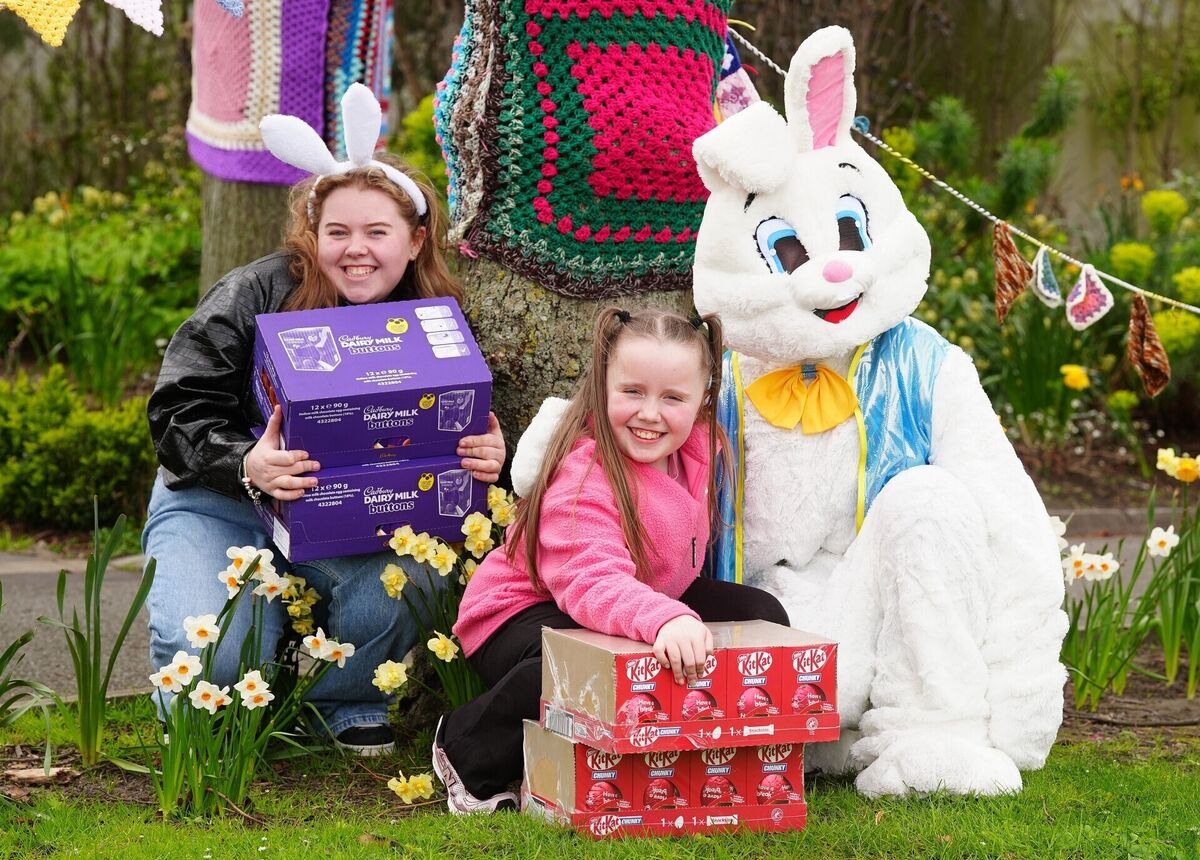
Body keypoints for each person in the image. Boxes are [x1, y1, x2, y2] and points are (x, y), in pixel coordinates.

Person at [143, 86, 506, 757]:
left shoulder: (437, 321)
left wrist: (490, 449)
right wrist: (244, 461)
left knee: (415, 579)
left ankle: (345, 701)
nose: (356, 250)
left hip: (348, 514)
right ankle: (249, 658)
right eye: (337, 232)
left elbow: (463, 419)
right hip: (220, 502)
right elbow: (176, 410)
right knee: (212, 667)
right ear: (314, 235)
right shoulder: (255, 291)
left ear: (416, 238)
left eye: (377, 232)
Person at [430, 308, 789, 813]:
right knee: (577, 667)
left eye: (672, 397)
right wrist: (665, 619)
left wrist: (668, 614)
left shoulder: (698, 450)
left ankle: (716, 750)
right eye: (633, 392)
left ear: (702, 400)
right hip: (522, 611)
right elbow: (590, 579)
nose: (650, 413)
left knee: (760, 617)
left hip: (639, 596)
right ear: (603, 386)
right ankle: (469, 749)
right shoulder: (584, 472)